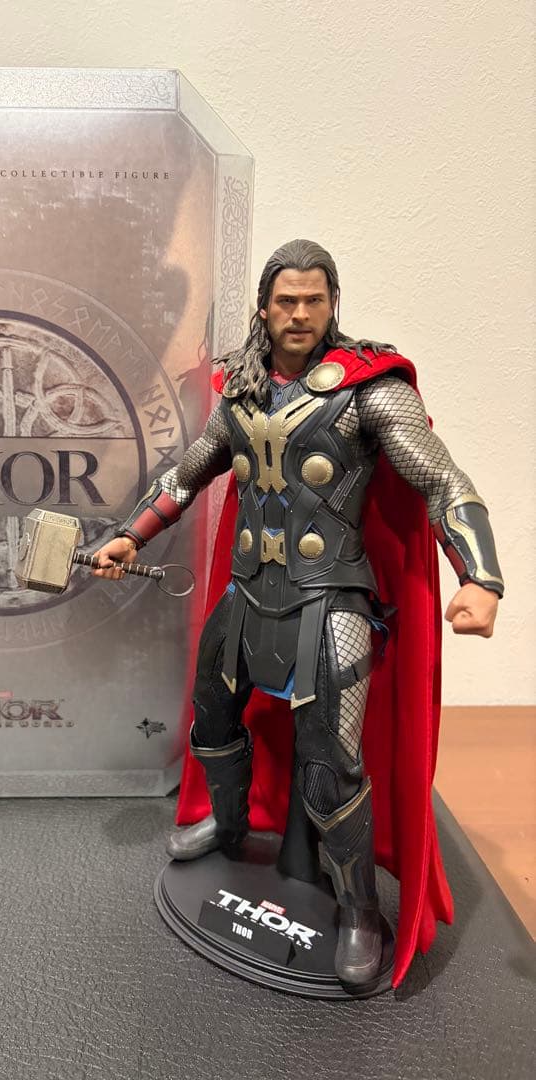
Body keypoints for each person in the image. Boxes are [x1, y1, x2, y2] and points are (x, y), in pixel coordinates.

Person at [92, 239, 503, 987]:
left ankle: (357, 909)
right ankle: (228, 823)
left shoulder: (371, 389)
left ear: (332, 303)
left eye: (315, 300)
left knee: (332, 764)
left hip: (330, 598)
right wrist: (131, 535)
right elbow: (188, 472)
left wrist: (481, 577)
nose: (301, 313)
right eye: (287, 300)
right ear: (264, 307)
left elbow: (443, 480)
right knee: (212, 718)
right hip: (248, 592)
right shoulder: (242, 391)